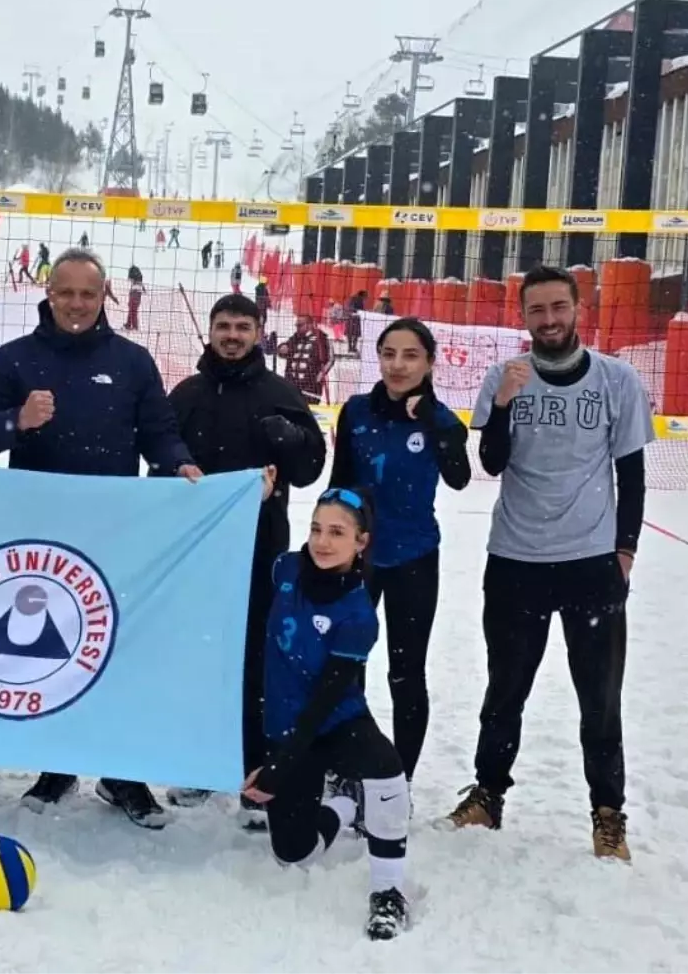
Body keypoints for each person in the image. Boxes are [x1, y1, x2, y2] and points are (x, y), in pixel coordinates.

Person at [0, 247, 200, 829]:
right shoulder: (14, 361)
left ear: (104, 297)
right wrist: (17, 421)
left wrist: (180, 466)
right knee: (50, 655)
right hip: (39, 538)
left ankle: (121, 773)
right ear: (48, 293)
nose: (75, 304)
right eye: (65, 292)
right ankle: (56, 764)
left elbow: (160, 436)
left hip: (113, 535)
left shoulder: (133, 362)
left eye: (87, 294)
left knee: (113, 651)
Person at [446, 265, 653, 861]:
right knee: (505, 689)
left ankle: (607, 814)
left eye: (558, 307)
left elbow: (632, 474)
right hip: (516, 560)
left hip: (592, 563)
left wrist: (626, 551)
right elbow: (491, 461)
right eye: (536, 310)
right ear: (523, 317)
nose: (549, 319)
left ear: (577, 309)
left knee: (600, 698)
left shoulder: (617, 379)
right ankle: (488, 795)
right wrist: (507, 404)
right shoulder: (502, 377)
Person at [161, 294, 327, 830]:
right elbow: (160, 460)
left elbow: (310, 468)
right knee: (201, 657)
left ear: (259, 332)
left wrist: (289, 438)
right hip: (198, 556)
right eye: (223, 326)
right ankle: (202, 762)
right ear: (210, 331)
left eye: (242, 326)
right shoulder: (186, 393)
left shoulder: (280, 395)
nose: (232, 335)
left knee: (257, 659)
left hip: (261, 552)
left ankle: (256, 772)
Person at [242, 488, 411, 941]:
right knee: (293, 855)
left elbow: (325, 700)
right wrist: (259, 500)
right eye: (317, 528)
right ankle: (343, 802)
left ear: (361, 542)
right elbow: (239, 547)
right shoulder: (285, 570)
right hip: (283, 724)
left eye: (337, 532)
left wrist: (278, 767)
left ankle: (389, 891)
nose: (322, 541)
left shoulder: (358, 614)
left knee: (386, 768)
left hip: (331, 722)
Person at [328, 317, 470, 789]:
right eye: (389, 353)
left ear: (430, 362)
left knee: (406, 673)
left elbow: (460, 477)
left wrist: (430, 419)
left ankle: (397, 781)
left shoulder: (442, 419)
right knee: (348, 666)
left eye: (410, 355)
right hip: (359, 561)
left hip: (414, 559)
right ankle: (349, 766)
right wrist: (330, 547)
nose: (397, 364)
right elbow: (339, 483)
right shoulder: (356, 412)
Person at [277, 315, 332, 404]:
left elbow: (330, 359)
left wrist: (320, 375)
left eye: (300, 325)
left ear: (310, 325)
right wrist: (282, 349)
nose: (297, 328)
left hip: (310, 388)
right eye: (296, 325)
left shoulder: (321, 338)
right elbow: (284, 349)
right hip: (292, 385)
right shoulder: (295, 338)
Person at [123, 265, 144, 331]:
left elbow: (138, 286)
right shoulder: (138, 279)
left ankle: (134, 326)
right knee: (131, 310)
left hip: (135, 294)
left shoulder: (137, 279)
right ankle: (129, 324)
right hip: (134, 294)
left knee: (133, 311)